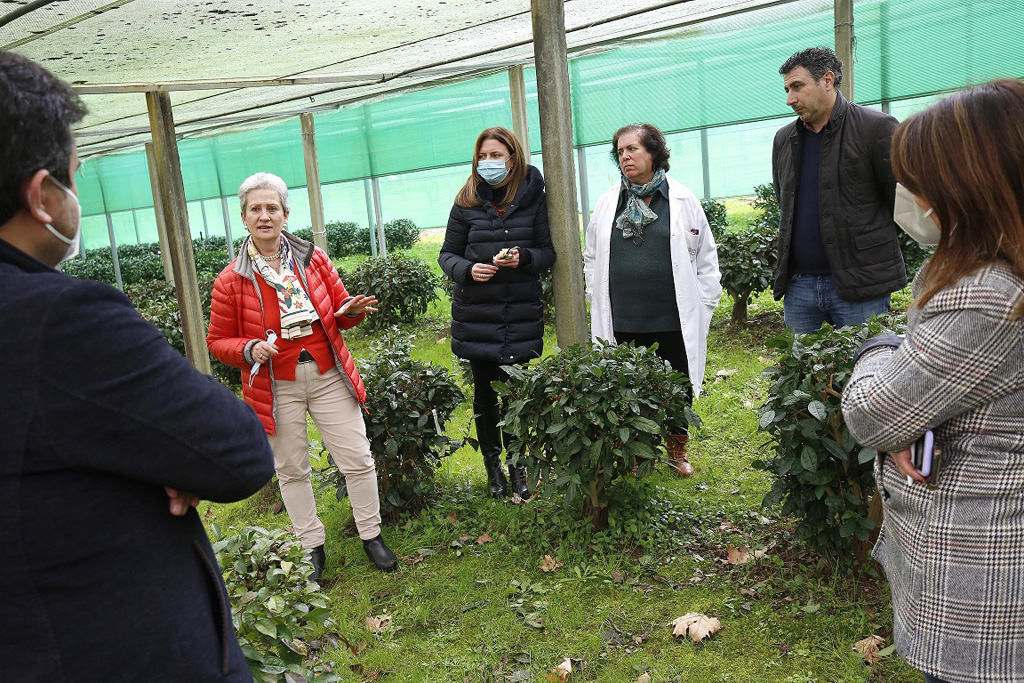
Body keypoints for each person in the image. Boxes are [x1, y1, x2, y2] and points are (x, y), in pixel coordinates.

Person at [0, 50, 276, 681]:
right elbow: (235, 450)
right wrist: (165, 456)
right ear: (41, 195)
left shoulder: (310, 258)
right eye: (74, 176)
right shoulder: (58, 319)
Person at [842, 79, 1024, 683]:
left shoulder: (989, 296)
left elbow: (874, 413)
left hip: (982, 575)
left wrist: (878, 346)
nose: (911, 198)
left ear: (969, 184)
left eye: (919, 181)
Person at [207, 172, 397, 578]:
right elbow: (217, 341)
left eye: (271, 208)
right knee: (292, 469)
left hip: (328, 374)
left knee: (357, 458)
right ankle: (311, 546)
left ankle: (371, 534)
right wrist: (248, 348)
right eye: (255, 209)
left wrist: (350, 311)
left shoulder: (313, 258)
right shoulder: (230, 280)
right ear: (243, 218)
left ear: (285, 213)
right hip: (276, 385)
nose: (264, 216)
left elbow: (339, 310)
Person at [584, 123, 722, 477]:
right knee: (626, 388)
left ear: (654, 152)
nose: (625, 157)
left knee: (676, 385)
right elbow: (592, 256)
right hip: (623, 316)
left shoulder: (682, 200)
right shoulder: (608, 202)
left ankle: (677, 449)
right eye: (620, 152)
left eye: (632, 149)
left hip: (671, 316)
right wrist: (593, 292)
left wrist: (705, 302)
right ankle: (636, 452)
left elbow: (705, 258)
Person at [438, 126, 555, 499]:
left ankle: (518, 468)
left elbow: (547, 252)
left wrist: (525, 258)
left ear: (513, 158)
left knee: (516, 395)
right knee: (485, 396)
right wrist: (468, 269)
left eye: (496, 155)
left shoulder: (533, 199)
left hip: (519, 313)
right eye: (482, 156)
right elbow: (447, 255)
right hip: (478, 316)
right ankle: (493, 469)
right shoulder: (466, 202)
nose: (488, 162)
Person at [772, 46, 907, 333]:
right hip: (799, 288)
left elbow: (902, 204)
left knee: (866, 359)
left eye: (797, 86)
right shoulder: (784, 139)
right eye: (787, 89)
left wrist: (866, 251)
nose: (789, 99)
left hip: (861, 286)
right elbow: (785, 203)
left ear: (828, 80)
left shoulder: (876, 128)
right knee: (802, 363)